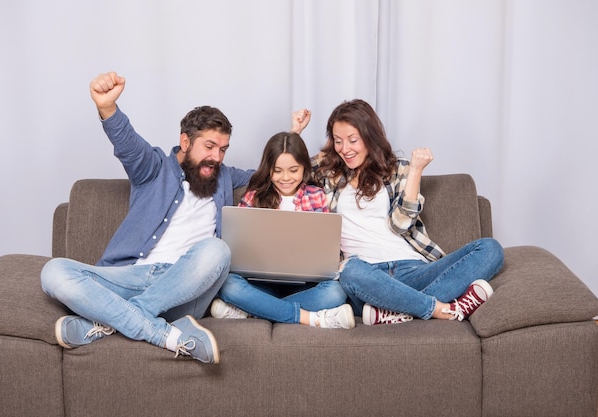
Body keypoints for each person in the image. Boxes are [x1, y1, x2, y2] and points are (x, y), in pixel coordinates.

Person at [40, 72, 255, 364]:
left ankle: (111, 322)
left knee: (218, 250)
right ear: (185, 141)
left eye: (223, 149)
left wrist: (303, 150)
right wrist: (107, 108)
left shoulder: (226, 176)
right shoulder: (153, 168)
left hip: (185, 288)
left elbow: (273, 174)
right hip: (130, 277)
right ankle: (163, 334)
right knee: (54, 272)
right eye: (209, 147)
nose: (217, 157)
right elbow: (128, 145)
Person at [310, 99, 504, 325]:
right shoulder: (330, 176)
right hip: (368, 278)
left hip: (412, 270)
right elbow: (291, 171)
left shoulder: (397, 169)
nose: (345, 149)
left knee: (491, 248)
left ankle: (396, 311)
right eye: (338, 141)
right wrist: (296, 133)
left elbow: (400, 225)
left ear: (370, 137)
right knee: (349, 270)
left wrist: (415, 171)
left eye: (353, 140)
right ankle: (440, 308)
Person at [210, 130, 355, 329]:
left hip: (306, 285)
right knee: (229, 285)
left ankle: (252, 310)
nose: (285, 178)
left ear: (304, 167)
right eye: (277, 171)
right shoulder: (254, 196)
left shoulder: (317, 195)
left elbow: (326, 245)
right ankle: (309, 317)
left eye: (293, 170)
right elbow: (238, 245)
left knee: (336, 292)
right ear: (268, 169)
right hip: (260, 284)